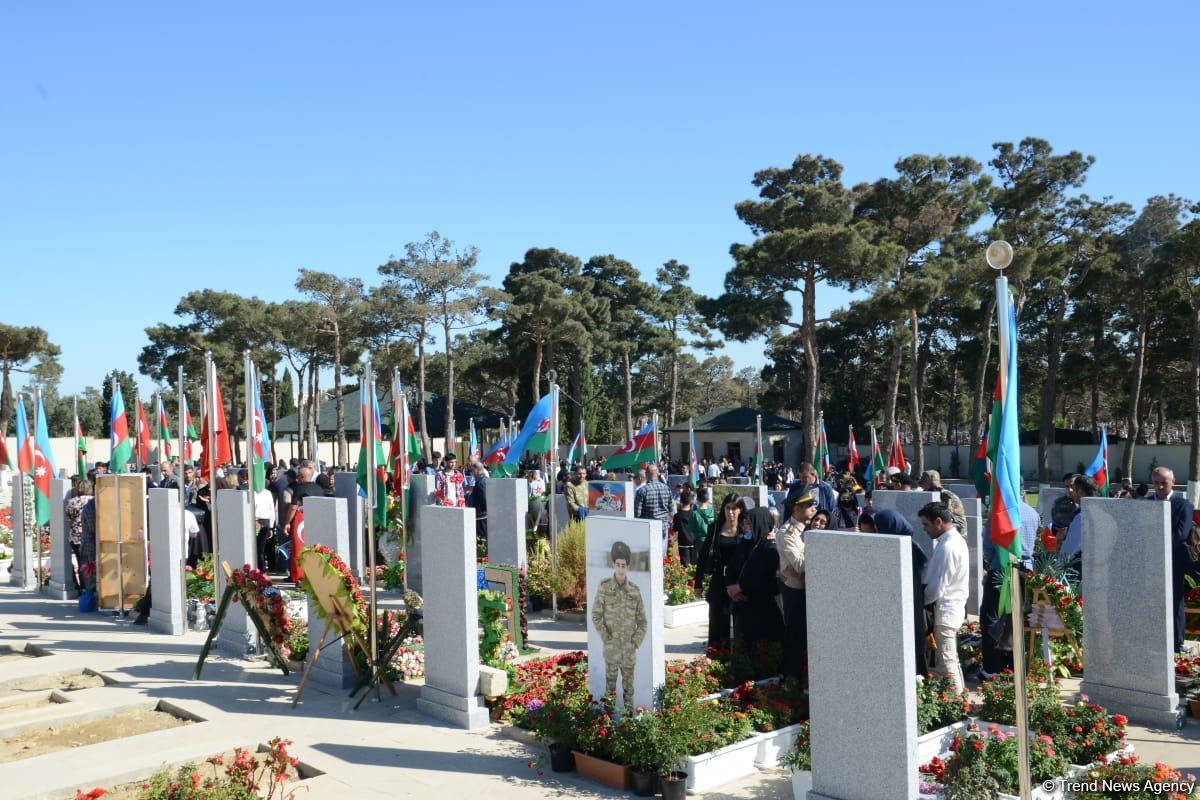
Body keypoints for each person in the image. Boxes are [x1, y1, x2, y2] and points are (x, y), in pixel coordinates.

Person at [979, 497, 1038, 678]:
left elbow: (988, 544)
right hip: (1023, 569)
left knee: (991, 618)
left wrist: (988, 564)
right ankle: (1011, 666)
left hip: (1001, 568)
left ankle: (991, 668)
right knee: (1014, 618)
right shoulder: (1033, 513)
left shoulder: (1000, 511)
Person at [919, 502, 969, 693]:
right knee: (944, 662)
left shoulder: (948, 546)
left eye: (926, 524)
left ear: (938, 521)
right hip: (948, 610)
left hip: (946, 611)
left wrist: (918, 604)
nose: (924, 529)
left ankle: (958, 703)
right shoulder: (951, 541)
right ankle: (950, 699)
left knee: (948, 661)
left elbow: (937, 586)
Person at [872, 510, 928, 676]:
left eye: (878, 527)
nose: (876, 531)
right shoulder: (905, 544)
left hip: (909, 605)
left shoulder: (908, 548)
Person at [591, 540, 646, 708]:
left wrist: (635, 642)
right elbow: (596, 615)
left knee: (629, 690)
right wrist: (606, 637)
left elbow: (643, 621)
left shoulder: (634, 591)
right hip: (611, 651)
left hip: (629, 652)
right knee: (610, 689)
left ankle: (628, 721)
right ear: (613, 565)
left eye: (623, 565)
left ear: (627, 567)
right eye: (618, 564)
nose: (620, 568)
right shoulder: (605, 587)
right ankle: (607, 722)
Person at [1147, 467, 1196, 652]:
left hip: (1172, 561)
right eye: (1156, 483)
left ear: (1172, 482)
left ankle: (1177, 642)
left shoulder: (1183, 504)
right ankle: (1152, 638)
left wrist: (1157, 547)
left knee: (1174, 601)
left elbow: (1181, 535)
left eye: (1164, 483)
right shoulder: (1145, 503)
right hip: (1148, 563)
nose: (1159, 486)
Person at [694, 492, 747, 650]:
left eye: (734, 509)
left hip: (738, 582)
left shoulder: (746, 530)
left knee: (740, 624)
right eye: (728, 508)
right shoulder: (715, 528)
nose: (730, 512)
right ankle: (718, 657)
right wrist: (698, 582)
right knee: (717, 623)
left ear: (741, 510)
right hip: (719, 580)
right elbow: (703, 556)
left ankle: (740, 659)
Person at [729, 506, 784, 649]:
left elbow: (762, 577)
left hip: (763, 607)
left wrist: (740, 588)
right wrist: (732, 588)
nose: (745, 527)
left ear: (759, 523)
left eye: (749, 523)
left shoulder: (770, 548)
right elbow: (733, 567)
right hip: (744, 604)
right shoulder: (748, 544)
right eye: (744, 523)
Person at [777, 490, 816, 679]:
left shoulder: (805, 529)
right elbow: (800, 566)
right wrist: (816, 545)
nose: (813, 508)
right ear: (796, 508)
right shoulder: (787, 532)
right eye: (808, 505)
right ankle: (791, 678)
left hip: (807, 588)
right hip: (794, 590)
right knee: (795, 637)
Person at [1057, 474, 1096, 570]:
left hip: (1080, 571)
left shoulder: (1082, 516)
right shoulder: (1102, 512)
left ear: (1080, 491)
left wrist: (1057, 566)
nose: (1071, 492)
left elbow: (1070, 549)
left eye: (1073, 489)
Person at [918, 470, 966, 535]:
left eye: (924, 484)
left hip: (956, 533)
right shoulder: (936, 494)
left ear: (932, 483)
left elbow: (946, 518)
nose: (922, 487)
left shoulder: (945, 496)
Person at [634, 463, 672, 544]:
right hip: (663, 527)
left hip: (648, 528)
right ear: (658, 473)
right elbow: (671, 509)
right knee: (661, 555)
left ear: (646, 474)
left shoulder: (642, 491)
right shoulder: (667, 488)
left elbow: (637, 514)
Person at [672, 486, 696, 565]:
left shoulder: (677, 515)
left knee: (685, 565)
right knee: (693, 564)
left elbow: (674, 529)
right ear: (691, 502)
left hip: (683, 543)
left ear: (680, 501)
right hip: (693, 541)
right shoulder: (694, 514)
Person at [688, 486, 715, 558]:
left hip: (698, 542)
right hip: (712, 542)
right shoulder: (713, 512)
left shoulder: (694, 513)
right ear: (708, 499)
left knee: (698, 564)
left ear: (697, 500)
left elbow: (690, 530)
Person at [468, 460, 488, 547]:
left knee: (482, 540)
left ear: (476, 470)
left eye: (472, 470)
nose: (472, 473)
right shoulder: (484, 480)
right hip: (482, 515)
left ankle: (483, 558)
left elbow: (484, 499)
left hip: (481, 516)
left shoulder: (480, 483)